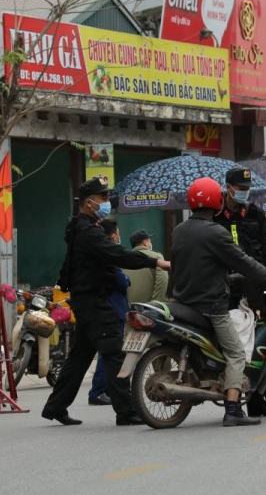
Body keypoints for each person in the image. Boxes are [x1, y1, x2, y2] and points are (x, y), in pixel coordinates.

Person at [41, 178, 170, 427]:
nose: (106, 202)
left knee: (79, 357)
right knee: (115, 352)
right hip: (93, 301)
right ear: (89, 203)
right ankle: (126, 411)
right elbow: (116, 254)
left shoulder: (83, 227)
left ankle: (55, 407)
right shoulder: (88, 231)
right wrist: (153, 261)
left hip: (88, 299)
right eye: (102, 198)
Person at [172, 177, 266, 426]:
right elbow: (243, 261)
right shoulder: (216, 232)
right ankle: (233, 408)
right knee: (236, 353)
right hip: (211, 305)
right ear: (217, 199)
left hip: (182, 303)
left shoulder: (179, 230)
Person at [215, 167, 266, 313]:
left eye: (247, 188)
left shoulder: (255, 213)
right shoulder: (215, 215)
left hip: (252, 286)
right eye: (241, 188)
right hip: (224, 287)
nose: (245, 192)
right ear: (229, 187)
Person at [87, 220, 132, 407]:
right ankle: (98, 391)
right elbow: (121, 281)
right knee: (109, 353)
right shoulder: (108, 255)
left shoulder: (98, 253)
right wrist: (126, 279)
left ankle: (103, 390)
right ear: (113, 236)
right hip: (113, 309)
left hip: (109, 309)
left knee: (109, 353)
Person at [125, 229, 169, 304]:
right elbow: (163, 281)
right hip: (151, 309)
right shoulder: (156, 257)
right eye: (149, 241)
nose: (150, 243)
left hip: (132, 309)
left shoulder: (126, 260)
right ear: (145, 242)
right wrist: (155, 304)